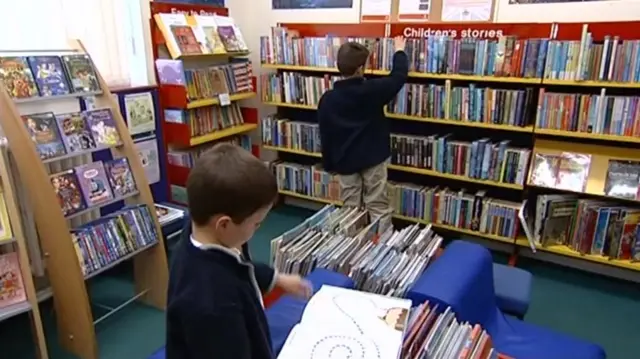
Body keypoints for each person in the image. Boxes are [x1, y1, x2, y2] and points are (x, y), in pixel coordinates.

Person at [166, 143, 313, 359]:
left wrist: (277, 279)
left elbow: (240, 266)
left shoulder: (203, 232)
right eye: (256, 224)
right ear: (224, 224)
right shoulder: (212, 305)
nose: (258, 229)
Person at [318, 36, 408, 231]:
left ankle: (350, 248)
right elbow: (398, 77)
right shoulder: (372, 90)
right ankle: (384, 249)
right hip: (373, 158)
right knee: (378, 204)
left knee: (350, 209)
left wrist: (329, 164)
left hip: (344, 161)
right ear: (360, 68)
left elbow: (325, 134)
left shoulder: (328, 99)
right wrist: (399, 50)